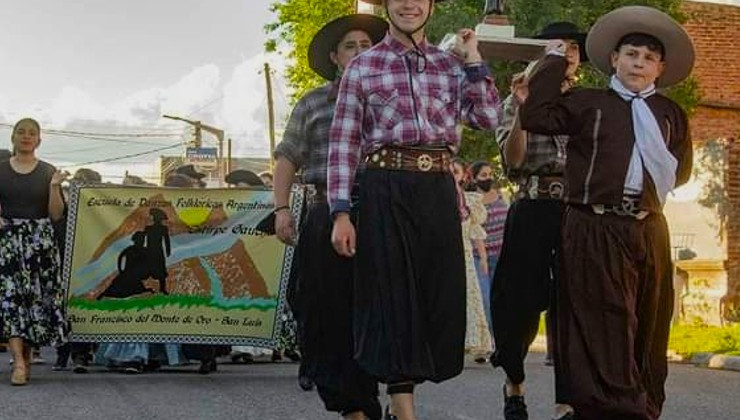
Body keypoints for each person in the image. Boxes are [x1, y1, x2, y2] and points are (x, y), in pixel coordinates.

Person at [327, 1, 502, 418]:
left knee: (436, 300)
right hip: (384, 186)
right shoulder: (364, 67)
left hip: (439, 189)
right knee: (392, 296)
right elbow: (343, 142)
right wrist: (340, 213)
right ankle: (403, 404)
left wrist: (475, 60)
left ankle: (401, 390)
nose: (409, 4)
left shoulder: (450, 65)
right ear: (386, 6)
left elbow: (488, 116)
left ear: (430, 6)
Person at [519, 6, 694, 419]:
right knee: (603, 318)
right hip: (593, 223)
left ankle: (645, 404)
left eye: (649, 58)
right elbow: (537, 115)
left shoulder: (669, 114)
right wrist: (556, 62)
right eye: (631, 54)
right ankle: (612, 409)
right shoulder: (587, 102)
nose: (639, 63)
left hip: (648, 227)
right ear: (614, 59)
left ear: (661, 68)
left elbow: (680, 171)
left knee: (648, 319)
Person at [273, 13, 388, 420]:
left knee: (382, 312)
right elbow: (287, 157)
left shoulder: (392, 99)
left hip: (382, 215)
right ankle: (353, 406)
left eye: (367, 45)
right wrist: (282, 209)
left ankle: (390, 395)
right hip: (326, 216)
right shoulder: (313, 102)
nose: (360, 52)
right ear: (336, 57)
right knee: (328, 314)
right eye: (350, 46)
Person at [490, 21, 586, 420]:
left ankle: (568, 401)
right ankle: (514, 384)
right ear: (539, 53)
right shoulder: (517, 97)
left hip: (576, 212)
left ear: (578, 60)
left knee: (573, 306)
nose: (564, 54)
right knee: (518, 306)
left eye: (572, 49)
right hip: (530, 206)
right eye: (555, 47)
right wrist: (524, 110)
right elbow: (513, 160)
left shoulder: (586, 101)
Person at [0, 118, 68, 385]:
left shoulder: (48, 171)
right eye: (21, 132)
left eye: (32, 133)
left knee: (35, 301)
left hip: (40, 241)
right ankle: (17, 361)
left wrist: (54, 186)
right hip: (8, 241)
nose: (26, 137)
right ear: (13, 138)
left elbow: (56, 213)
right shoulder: (1, 169)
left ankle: (26, 358)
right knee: (12, 299)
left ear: (39, 140)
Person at [450, 159, 492, 362]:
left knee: (472, 299)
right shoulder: (436, 197)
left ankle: (477, 345)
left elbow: (476, 232)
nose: (452, 175)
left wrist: (483, 258)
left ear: (464, 175)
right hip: (445, 257)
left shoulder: (470, 201)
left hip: (466, 257)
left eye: (456, 171)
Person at [469, 161, 508, 340]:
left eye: (490, 174)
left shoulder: (500, 195)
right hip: (480, 257)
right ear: (475, 178)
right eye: (484, 175)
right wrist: (483, 257)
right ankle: (489, 339)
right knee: (485, 299)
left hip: (501, 255)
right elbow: (473, 228)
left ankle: (500, 338)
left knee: (501, 299)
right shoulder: (471, 200)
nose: (488, 178)